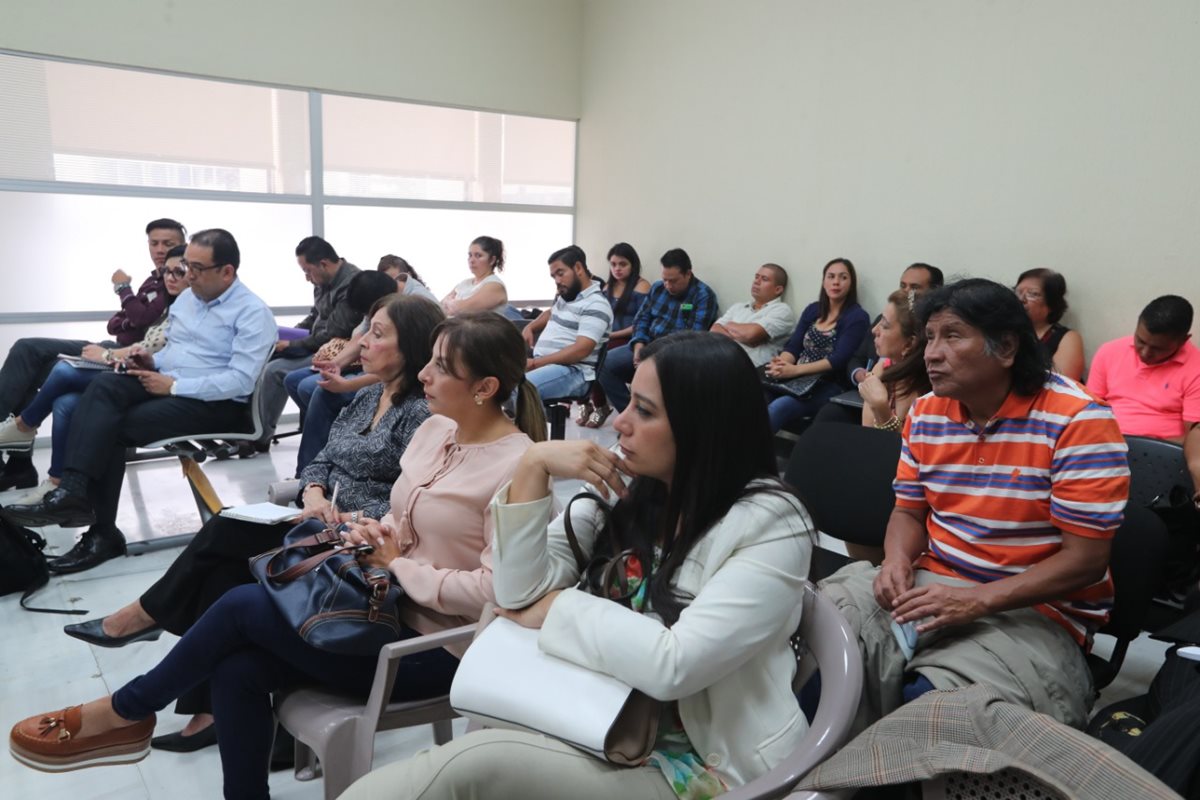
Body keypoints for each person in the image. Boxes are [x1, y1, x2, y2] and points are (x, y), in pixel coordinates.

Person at [8, 312, 547, 800]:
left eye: (440, 367)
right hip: (378, 607)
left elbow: (495, 591)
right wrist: (374, 530)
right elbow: (405, 517)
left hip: (432, 649)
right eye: (427, 360)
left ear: (485, 388)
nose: (425, 375)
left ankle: (125, 712)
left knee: (244, 606)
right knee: (238, 664)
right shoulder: (435, 430)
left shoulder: (516, 468)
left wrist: (396, 564)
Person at [339, 331, 814, 800]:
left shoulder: (772, 523)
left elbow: (675, 664)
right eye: (628, 402)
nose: (620, 423)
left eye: (644, 411)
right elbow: (515, 592)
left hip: (696, 763)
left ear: (703, 427)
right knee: (468, 766)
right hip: (588, 715)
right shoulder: (628, 491)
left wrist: (554, 608)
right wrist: (532, 466)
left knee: (471, 768)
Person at [56, 293, 444, 754]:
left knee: (226, 530)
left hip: (353, 540)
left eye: (377, 335)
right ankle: (207, 713)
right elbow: (320, 459)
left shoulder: (420, 413)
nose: (362, 344)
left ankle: (144, 618)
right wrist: (315, 493)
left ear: (412, 346)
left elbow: (411, 500)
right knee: (223, 569)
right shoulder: (365, 396)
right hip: (316, 519)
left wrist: (349, 516)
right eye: (366, 331)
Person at [820, 278, 1129, 735]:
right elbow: (908, 511)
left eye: (952, 336)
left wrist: (975, 600)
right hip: (933, 582)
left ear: (1005, 348)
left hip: (1033, 611)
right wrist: (897, 561)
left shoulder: (1078, 420)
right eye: (928, 338)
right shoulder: (927, 412)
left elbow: (1085, 562)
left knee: (933, 712)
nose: (931, 353)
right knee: (819, 645)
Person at [5, 229, 277, 574]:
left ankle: (101, 532)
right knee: (104, 386)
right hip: (167, 382)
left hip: (217, 404)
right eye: (185, 266)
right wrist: (152, 364)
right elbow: (174, 352)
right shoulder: (191, 300)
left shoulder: (253, 313)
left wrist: (174, 386)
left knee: (112, 425)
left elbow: (240, 380)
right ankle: (73, 489)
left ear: (227, 272)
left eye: (196, 268)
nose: (185, 275)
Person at [0, 218, 186, 491]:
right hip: (111, 346)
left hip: (125, 354)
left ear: (185, 248)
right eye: (153, 243)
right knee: (29, 352)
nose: (159, 250)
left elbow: (140, 316)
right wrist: (130, 315)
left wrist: (123, 290)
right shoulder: (154, 279)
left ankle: (26, 454)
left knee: (48, 367)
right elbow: (117, 322)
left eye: (168, 244)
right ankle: (20, 462)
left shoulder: (176, 284)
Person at [284, 270, 401, 473]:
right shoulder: (378, 304)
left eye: (378, 334)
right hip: (363, 365)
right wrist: (336, 364)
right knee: (294, 381)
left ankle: (308, 471)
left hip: (381, 374)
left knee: (321, 392)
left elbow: (400, 370)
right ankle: (326, 454)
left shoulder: (406, 311)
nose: (366, 340)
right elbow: (359, 338)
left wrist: (346, 384)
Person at [253, 236, 361, 450]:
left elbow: (333, 333)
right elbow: (315, 316)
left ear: (324, 264)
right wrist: (291, 334)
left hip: (335, 351)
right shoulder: (322, 280)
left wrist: (292, 345)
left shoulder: (351, 284)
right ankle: (251, 427)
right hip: (317, 345)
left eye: (307, 271)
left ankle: (260, 437)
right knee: (265, 360)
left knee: (275, 370)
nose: (307, 278)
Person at [595, 248, 718, 415]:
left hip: (675, 355)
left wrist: (651, 354)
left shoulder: (703, 295)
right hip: (646, 345)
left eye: (673, 281)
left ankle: (653, 422)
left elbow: (693, 338)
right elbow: (641, 319)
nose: (668, 285)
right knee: (604, 364)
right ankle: (632, 416)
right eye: (665, 279)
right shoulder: (658, 288)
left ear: (688, 274)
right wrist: (638, 345)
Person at [764, 258, 870, 432]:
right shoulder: (813, 309)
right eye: (831, 276)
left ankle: (751, 456)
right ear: (823, 281)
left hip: (828, 384)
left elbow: (838, 360)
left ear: (851, 284)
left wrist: (795, 370)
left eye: (843, 277)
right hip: (795, 379)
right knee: (757, 397)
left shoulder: (857, 317)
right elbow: (794, 346)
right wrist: (781, 364)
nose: (836, 282)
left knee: (781, 406)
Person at [520, 245, 613, 402]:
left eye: (560, 273)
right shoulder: (568, 296)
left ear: (578, 268)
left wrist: (535, 363)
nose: (557, 281)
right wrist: (531, 326)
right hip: (547, 365)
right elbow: (550, 313)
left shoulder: (596, 304)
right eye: (553, 276)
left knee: (520, 390)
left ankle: (520, 425)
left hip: (574, 372)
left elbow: (580, 350)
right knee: (490, 378)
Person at [580, 242, 651, 428]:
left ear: (633, 265)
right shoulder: (606, 288)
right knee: (583, 350)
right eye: (613, 264)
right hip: (609, 337)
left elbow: (641, 324)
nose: (617, 269)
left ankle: (621, 410)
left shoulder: (642, 287)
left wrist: (609, 335)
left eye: (622, 264)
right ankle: (593, 404)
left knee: (597, 355)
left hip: (629, 339)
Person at [848, 262, 944, 387]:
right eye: (903, 286)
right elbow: (857, 358)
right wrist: (859, 374)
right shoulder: (883, 319)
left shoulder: (932, 332)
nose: (907, 292)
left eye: (914, 288)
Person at [858, 289, 930, 431]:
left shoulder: (931, 390)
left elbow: (910, 449)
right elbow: (867, 435)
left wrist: (881, 408)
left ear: (909, 343)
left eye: (884, 325)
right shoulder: (881, 368)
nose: (874, 330)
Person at [710, 262, 796, 367]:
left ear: (778, 289)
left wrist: (728, 326)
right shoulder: (738, 307)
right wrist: (743, 338)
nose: (756, 282)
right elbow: (714, 330)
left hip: (753, 370)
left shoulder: (782, 310)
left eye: (764, 279)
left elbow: (751, 334)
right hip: (722, 361)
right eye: (756, 277)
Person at [1015, 268, 1084, 380]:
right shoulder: (1006, 331)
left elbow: (1062, 385)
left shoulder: (1067, 338)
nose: (1021, 299)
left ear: (1051, 304)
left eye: (1033, 294)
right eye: (1017, 292)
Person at [440, 236, 508, 315]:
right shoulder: (464, 283)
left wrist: (449, 303)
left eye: (478, 256)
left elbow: (460, 309)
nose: (471, 260)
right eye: (470, 255)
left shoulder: (495, 285)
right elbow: (438, 309)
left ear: (492, 260)